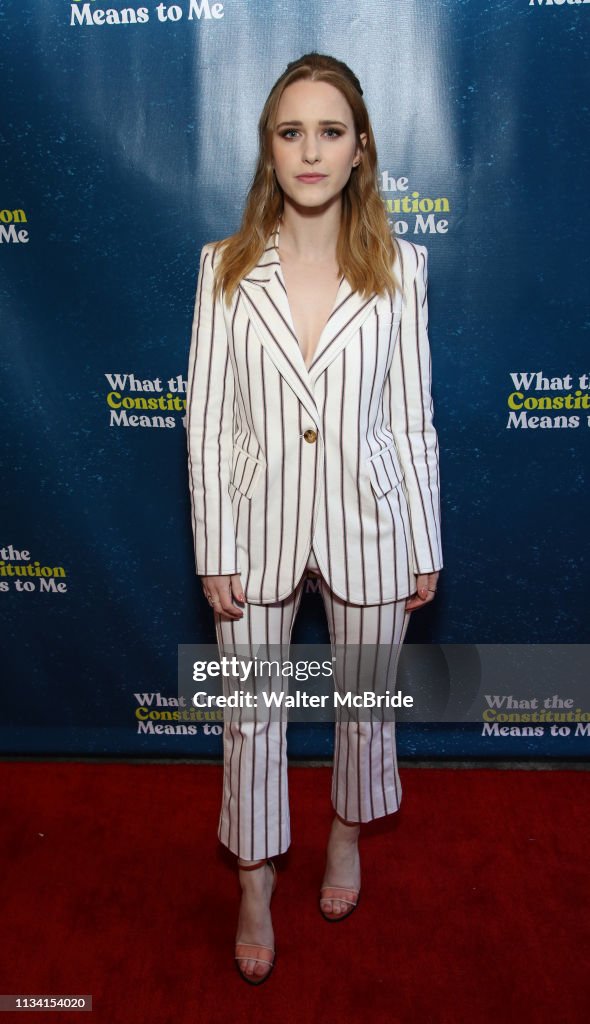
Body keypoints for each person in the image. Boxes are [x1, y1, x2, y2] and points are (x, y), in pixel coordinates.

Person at [185, 52, 443, 985]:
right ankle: (253, 882)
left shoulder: (403, 270)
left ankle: (344, 835)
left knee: (363, 709)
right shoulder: (223, 268)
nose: (310, 150)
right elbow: (208, 423)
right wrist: (214, 543)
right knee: (250, 715)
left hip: (371, 521)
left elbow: (412, 417)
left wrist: (425, 539)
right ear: (269, 149)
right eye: (291, 131)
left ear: (361, 149)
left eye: (330, 131)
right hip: (254, 525)